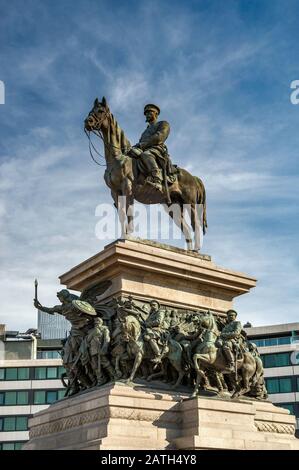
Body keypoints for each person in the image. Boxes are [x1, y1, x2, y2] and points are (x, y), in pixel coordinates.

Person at [129, 104, 174, 191]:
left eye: (149, 112)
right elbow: (140, 143)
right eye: (146, 113)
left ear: (156, 113)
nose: (147, 115)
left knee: (146, 154)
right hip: (144, 149)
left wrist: (142, 145)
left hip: (156, 149)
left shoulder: (163, 124)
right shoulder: (145, 132)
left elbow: (159, 137)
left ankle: (157, 179)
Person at [85, 317, 116, 386]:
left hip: (100, 349)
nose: (96, 323)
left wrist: (104, 348)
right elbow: (87, 341)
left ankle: (114, 375)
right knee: (95, 366)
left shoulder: (104, 329)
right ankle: (100, 379)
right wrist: (93, 333)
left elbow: (107, 339)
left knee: (105, 363)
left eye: (98, 322)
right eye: (95, 322)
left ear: (101, 323)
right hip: (93, 351)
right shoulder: (91, 331)